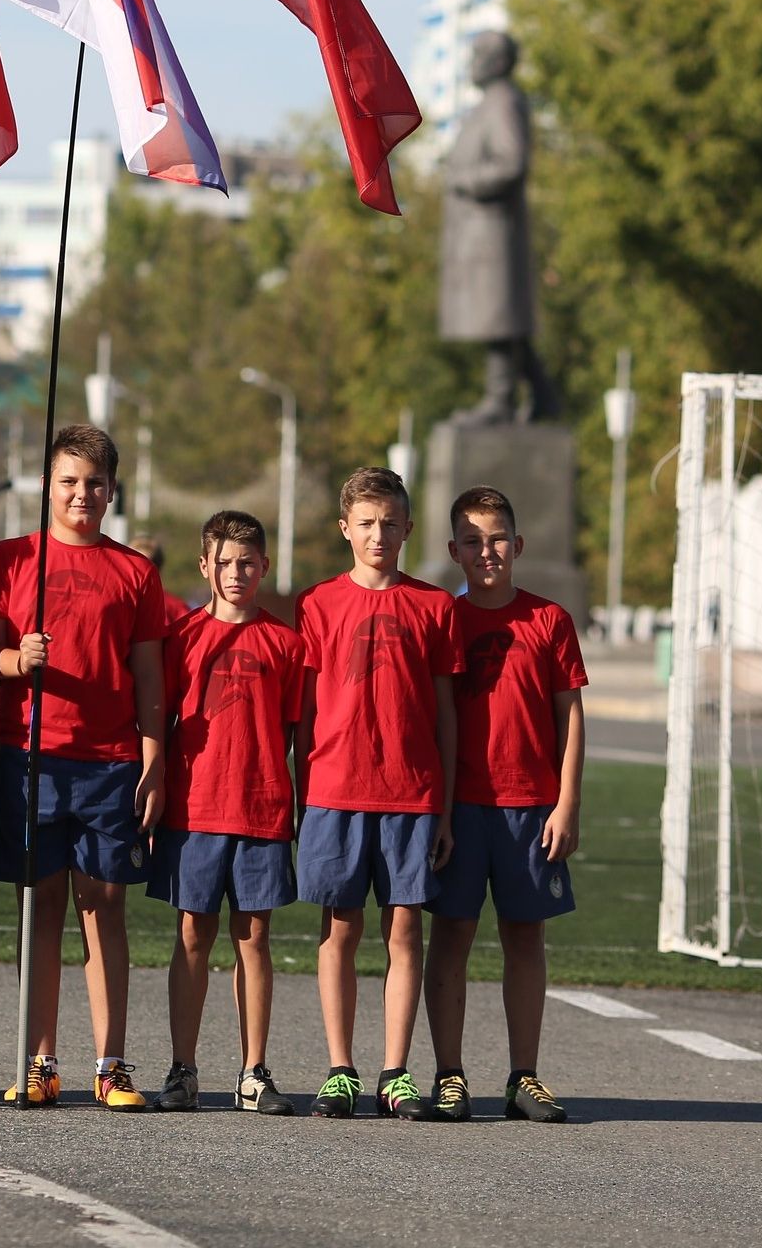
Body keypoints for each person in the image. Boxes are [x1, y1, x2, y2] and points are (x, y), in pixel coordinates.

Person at [0, 424, 168, 1111]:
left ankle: (111, 1064)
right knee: (40, 907)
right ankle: (39, 1061)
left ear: (112, 490)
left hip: (109, 761)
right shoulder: (10, 559)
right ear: (46, 487)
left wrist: (153, 760)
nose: (81, 494)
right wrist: (14, 661)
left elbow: (149, 675)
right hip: (29, 756)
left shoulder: (135, 571)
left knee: (105, 907)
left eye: (94, 483)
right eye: (68, 481)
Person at [294, 467, 458, 1122]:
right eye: (366, 523)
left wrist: (443, 805)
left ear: (409, 528)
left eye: (390, 523)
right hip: (336, 789)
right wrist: (304, 790)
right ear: (345, 529)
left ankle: (395, 1071)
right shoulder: (317, 603)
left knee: (404, 928)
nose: (378, 534)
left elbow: (446, 715)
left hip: (411, 793)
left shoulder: (434, 607)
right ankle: (340, 1069)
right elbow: (304, 712)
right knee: (339, 927)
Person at [424, 484, 590, 1125]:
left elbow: (570, 716)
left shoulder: (548, 620)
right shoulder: (445, 618)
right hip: (461, 805)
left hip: (531, 807)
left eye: (497, 539)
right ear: (453, 552)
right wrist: (435, 809)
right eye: (473, 541)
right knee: (452, 936)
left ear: (517, 546)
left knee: (526, 938)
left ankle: (524, 1075)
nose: (486, 551)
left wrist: (567, 802)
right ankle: (449, 1074)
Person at [149, 510, 302, 1116]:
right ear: (204, 567)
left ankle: (253, 1071)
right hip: (194, 808)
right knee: (192, 933)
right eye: (225, 563)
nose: (236, 573)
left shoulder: (286, 643)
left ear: (264, 567)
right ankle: (183, 1067)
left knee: (255, 937)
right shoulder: (181, 640)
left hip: (261, 806)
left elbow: (295, 731)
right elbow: (158, 723)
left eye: (248, 563)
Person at [129, 533, 192, 623]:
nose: (136, 573)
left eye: (142, 568)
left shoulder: (176, 610)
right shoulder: (113, 604)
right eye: (130, 564)